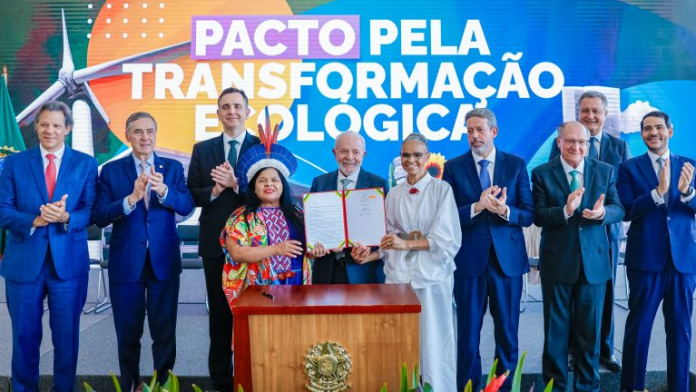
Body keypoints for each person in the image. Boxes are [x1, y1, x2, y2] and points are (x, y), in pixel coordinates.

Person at [0, 101, 98, 392]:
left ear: (67, 129)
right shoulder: (14, 163)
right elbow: (3, 209)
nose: (49, 130)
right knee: (24, 337)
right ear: (37, 126)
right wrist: (35, 220)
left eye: (57, 125)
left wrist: (67, 216)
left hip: (68, 264)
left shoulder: (85, 163)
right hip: (24, 262)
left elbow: (91, 210)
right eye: (44, 124)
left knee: (66, 338)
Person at [93, 112, 194, 390]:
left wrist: (164, 192)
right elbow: (100, 215)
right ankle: (131, 385)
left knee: (164, 333)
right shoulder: (112, 171)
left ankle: (163, 385)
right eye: (137, 132)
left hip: (164, 261)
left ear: (156, 134)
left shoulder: (172, 168)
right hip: (126, 264)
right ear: (127, 136)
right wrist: (131, 199)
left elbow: (186, 206)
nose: (144, 137)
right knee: (127, 334)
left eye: (149, 131)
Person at [353, 133, 461, 391]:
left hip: (432, 277)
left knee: (434, 341)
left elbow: (448, 239)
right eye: (405, 155)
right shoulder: (393, 195)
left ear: (426, 158)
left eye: (416, 155)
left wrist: (407, 244)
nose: (410, 160)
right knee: (398, 339)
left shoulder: (441, 190)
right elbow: (389, 241)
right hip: (399, 278)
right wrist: (370, 255)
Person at [442, 108, 533, 391]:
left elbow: (528, 214)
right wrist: (477, 207)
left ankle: (504, 388)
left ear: (494, 132)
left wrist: (505, 210)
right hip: (469, 262)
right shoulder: (454, 167)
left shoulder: (516, 164)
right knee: (468, 336)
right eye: (469, 130)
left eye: (480, 129)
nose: (474, 135)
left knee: (507, 334)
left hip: (507, 263)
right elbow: (445, 216)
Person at [532, 120, 624, 392]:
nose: (576, 147)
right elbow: (537, 215)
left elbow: (618, 208)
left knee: (589, 337)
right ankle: (555, 388)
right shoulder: (541, 173)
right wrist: (565, 210)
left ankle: (587, 388)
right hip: (557, 263)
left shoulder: (604, 171)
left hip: (594, 265)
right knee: (555, 337)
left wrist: (602, 214)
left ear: (588, 144)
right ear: (559, 143)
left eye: (582, 142)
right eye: (570, 141)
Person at [549, 90, 629, 372]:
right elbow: (553, 181)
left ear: (605, 115)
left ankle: (605, 349)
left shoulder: (618, 147)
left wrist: (604, 214)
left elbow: (622, 195)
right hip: (571, 235)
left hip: (605, 233)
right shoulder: (563, 144)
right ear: (578, 113)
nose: (591, 116)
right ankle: (573, 350)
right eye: (585, 111)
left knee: (604, 294)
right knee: (574, 294)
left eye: (596, 111)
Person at [617, 111, 696, 392]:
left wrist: (686, 193)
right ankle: (632, 387)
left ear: (670, 131)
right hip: (645, 260)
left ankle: (679, 388)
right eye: (647, 128)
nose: (654, 133)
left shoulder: (690, 164)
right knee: (639, 327)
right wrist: (657, 193)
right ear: (641, 134)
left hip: (683, 261)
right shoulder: (629, 168)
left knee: (680, 330)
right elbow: (626, 210)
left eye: (659, 127)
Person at [186, 87, 259, 391]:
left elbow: (273, 191)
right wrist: (215, 191)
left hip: (256, 245)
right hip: (215, 244)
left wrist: (236, 183)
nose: (232, 112)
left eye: (237, 106)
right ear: (217, 113)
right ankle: (221, 382)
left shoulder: (262, 147)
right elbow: (191, 193)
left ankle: (255, 376)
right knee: (219, 313)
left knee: (255, 312)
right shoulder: (203, 149)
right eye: (225, 107)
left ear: (247, 111)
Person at [221, 130, 315, 304]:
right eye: (262, 181)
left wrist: (316, 252)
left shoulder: (299, 214)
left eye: (275, 180)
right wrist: (275, 249)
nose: (269, 184)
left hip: (296, 284)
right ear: (254, 188)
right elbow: (237, 253)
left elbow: (308, 250)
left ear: (283, 185)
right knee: (262, 331)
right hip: (259, 287)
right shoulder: (241, 217)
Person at [309, 131, 388, 284]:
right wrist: (314, 246)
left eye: (355, 152)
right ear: (334, 153)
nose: (349, 157)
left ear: (364, 154)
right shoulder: (319, 182)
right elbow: (312, 225)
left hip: (364, 272)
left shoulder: (378, 184)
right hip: (326, 272)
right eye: (344, 151)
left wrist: (369, 251)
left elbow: (388, 229)